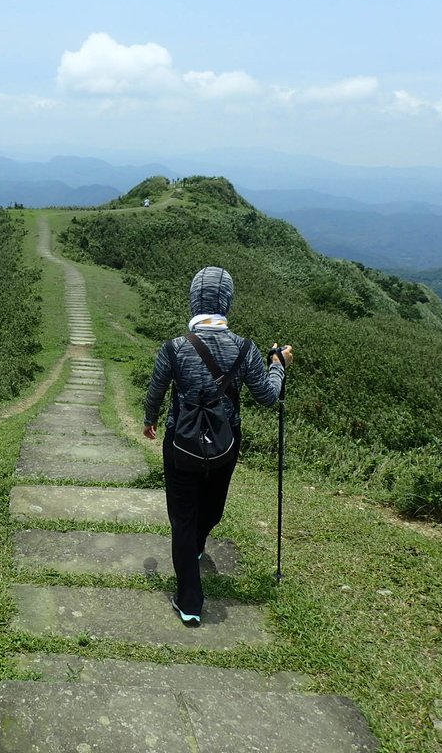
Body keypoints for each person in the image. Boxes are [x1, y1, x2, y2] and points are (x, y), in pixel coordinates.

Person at [143, 266, 293, 627]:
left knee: (182, 517)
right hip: (225, 444)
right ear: (227, 303)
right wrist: (279, 365)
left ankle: (190, 601)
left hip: (181, 442)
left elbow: (156, 389)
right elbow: (268, 397)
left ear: (194, 300)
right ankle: (196, 547)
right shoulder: (245, 348)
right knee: (212, 508)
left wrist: (149, 418)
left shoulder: (174, 348)